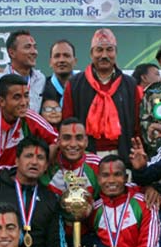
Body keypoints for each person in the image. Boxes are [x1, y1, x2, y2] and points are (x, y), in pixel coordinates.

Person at [73, 155, 158, 247]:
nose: (111, 180)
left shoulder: (145, 204)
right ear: (98, 179)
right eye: (105, 175)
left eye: (117, 175)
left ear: (126, 178)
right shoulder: (93, 210)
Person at [0, 73, 57, 197]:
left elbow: (57, 141)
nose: (24, 102)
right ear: (2, 101)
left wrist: (43, 168)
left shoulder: (30, 118)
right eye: (17, 97)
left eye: (26, 96)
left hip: (16, 185)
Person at [62, 28, 141, 163]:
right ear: (91, 54)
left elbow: (137, 126)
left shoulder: (130, 85)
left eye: (109, 50)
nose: (104, 55)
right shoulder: (75, 84)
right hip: (85, 156)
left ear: (116, 53)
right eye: (99, 50)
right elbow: (67, 122)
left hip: (122, 155)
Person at [0, 30, 47, 113]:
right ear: (12, 53)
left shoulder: (40, 79)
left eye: (35, 47)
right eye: (27, 47)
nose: (34, 52)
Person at [40, 118, 101, 197]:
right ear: (58, 141)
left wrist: (92, 206)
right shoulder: (47, 164)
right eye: (67, 138)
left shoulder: (97, 165)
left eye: (79, 138)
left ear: (86, 142)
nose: (73, 144)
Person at [42, 39, 77, 104]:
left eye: (66, 55)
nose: (61, 60)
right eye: (57, 56)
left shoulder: (84, 86)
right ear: (50, 62)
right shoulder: (42, 88)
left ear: (75, 61)